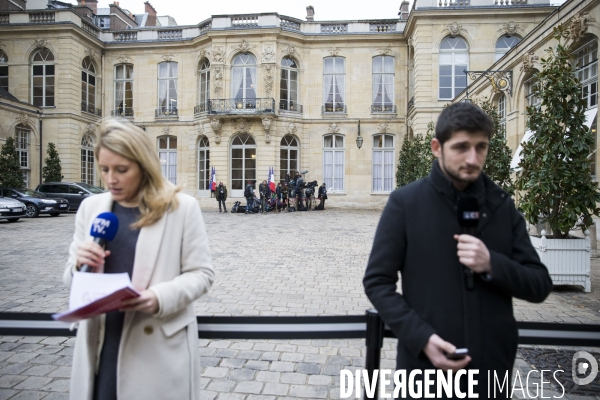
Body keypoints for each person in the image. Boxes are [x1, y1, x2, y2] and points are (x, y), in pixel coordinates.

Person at [363, 102, 552, 398]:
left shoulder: (501, 206)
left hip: (491, 372)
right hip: (425, 371)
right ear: (437, 147)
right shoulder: (406, 204)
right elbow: (377, 282)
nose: (473, 158)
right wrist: (421, 337)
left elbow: (539, 284)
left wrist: (492, 263)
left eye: (481, 147)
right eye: (462, 147)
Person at [63, 119, 215, 400]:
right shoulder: (91, 208)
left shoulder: (181, 208)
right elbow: (72, 280)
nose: (111, 179)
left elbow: (202, 274)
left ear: (144, 166)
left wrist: (159, 297)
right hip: (102, 344)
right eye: (104, 169)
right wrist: (78, 266)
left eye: (121, 170)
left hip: (155, 347)